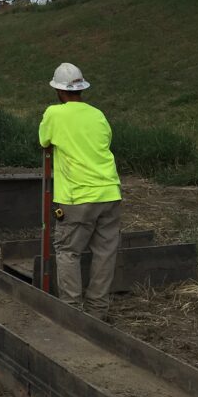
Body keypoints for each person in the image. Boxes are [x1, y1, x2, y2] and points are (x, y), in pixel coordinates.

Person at [39, 62, 121, 319]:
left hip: (77, 197)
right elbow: (104, 143)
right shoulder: (98, 114)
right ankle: (98, 312)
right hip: (109, 193)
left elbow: (44, 141)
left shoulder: (54, 114)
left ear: (59, 91)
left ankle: (72, 313)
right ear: (81, 89)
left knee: (68, 252)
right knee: (105, 253)